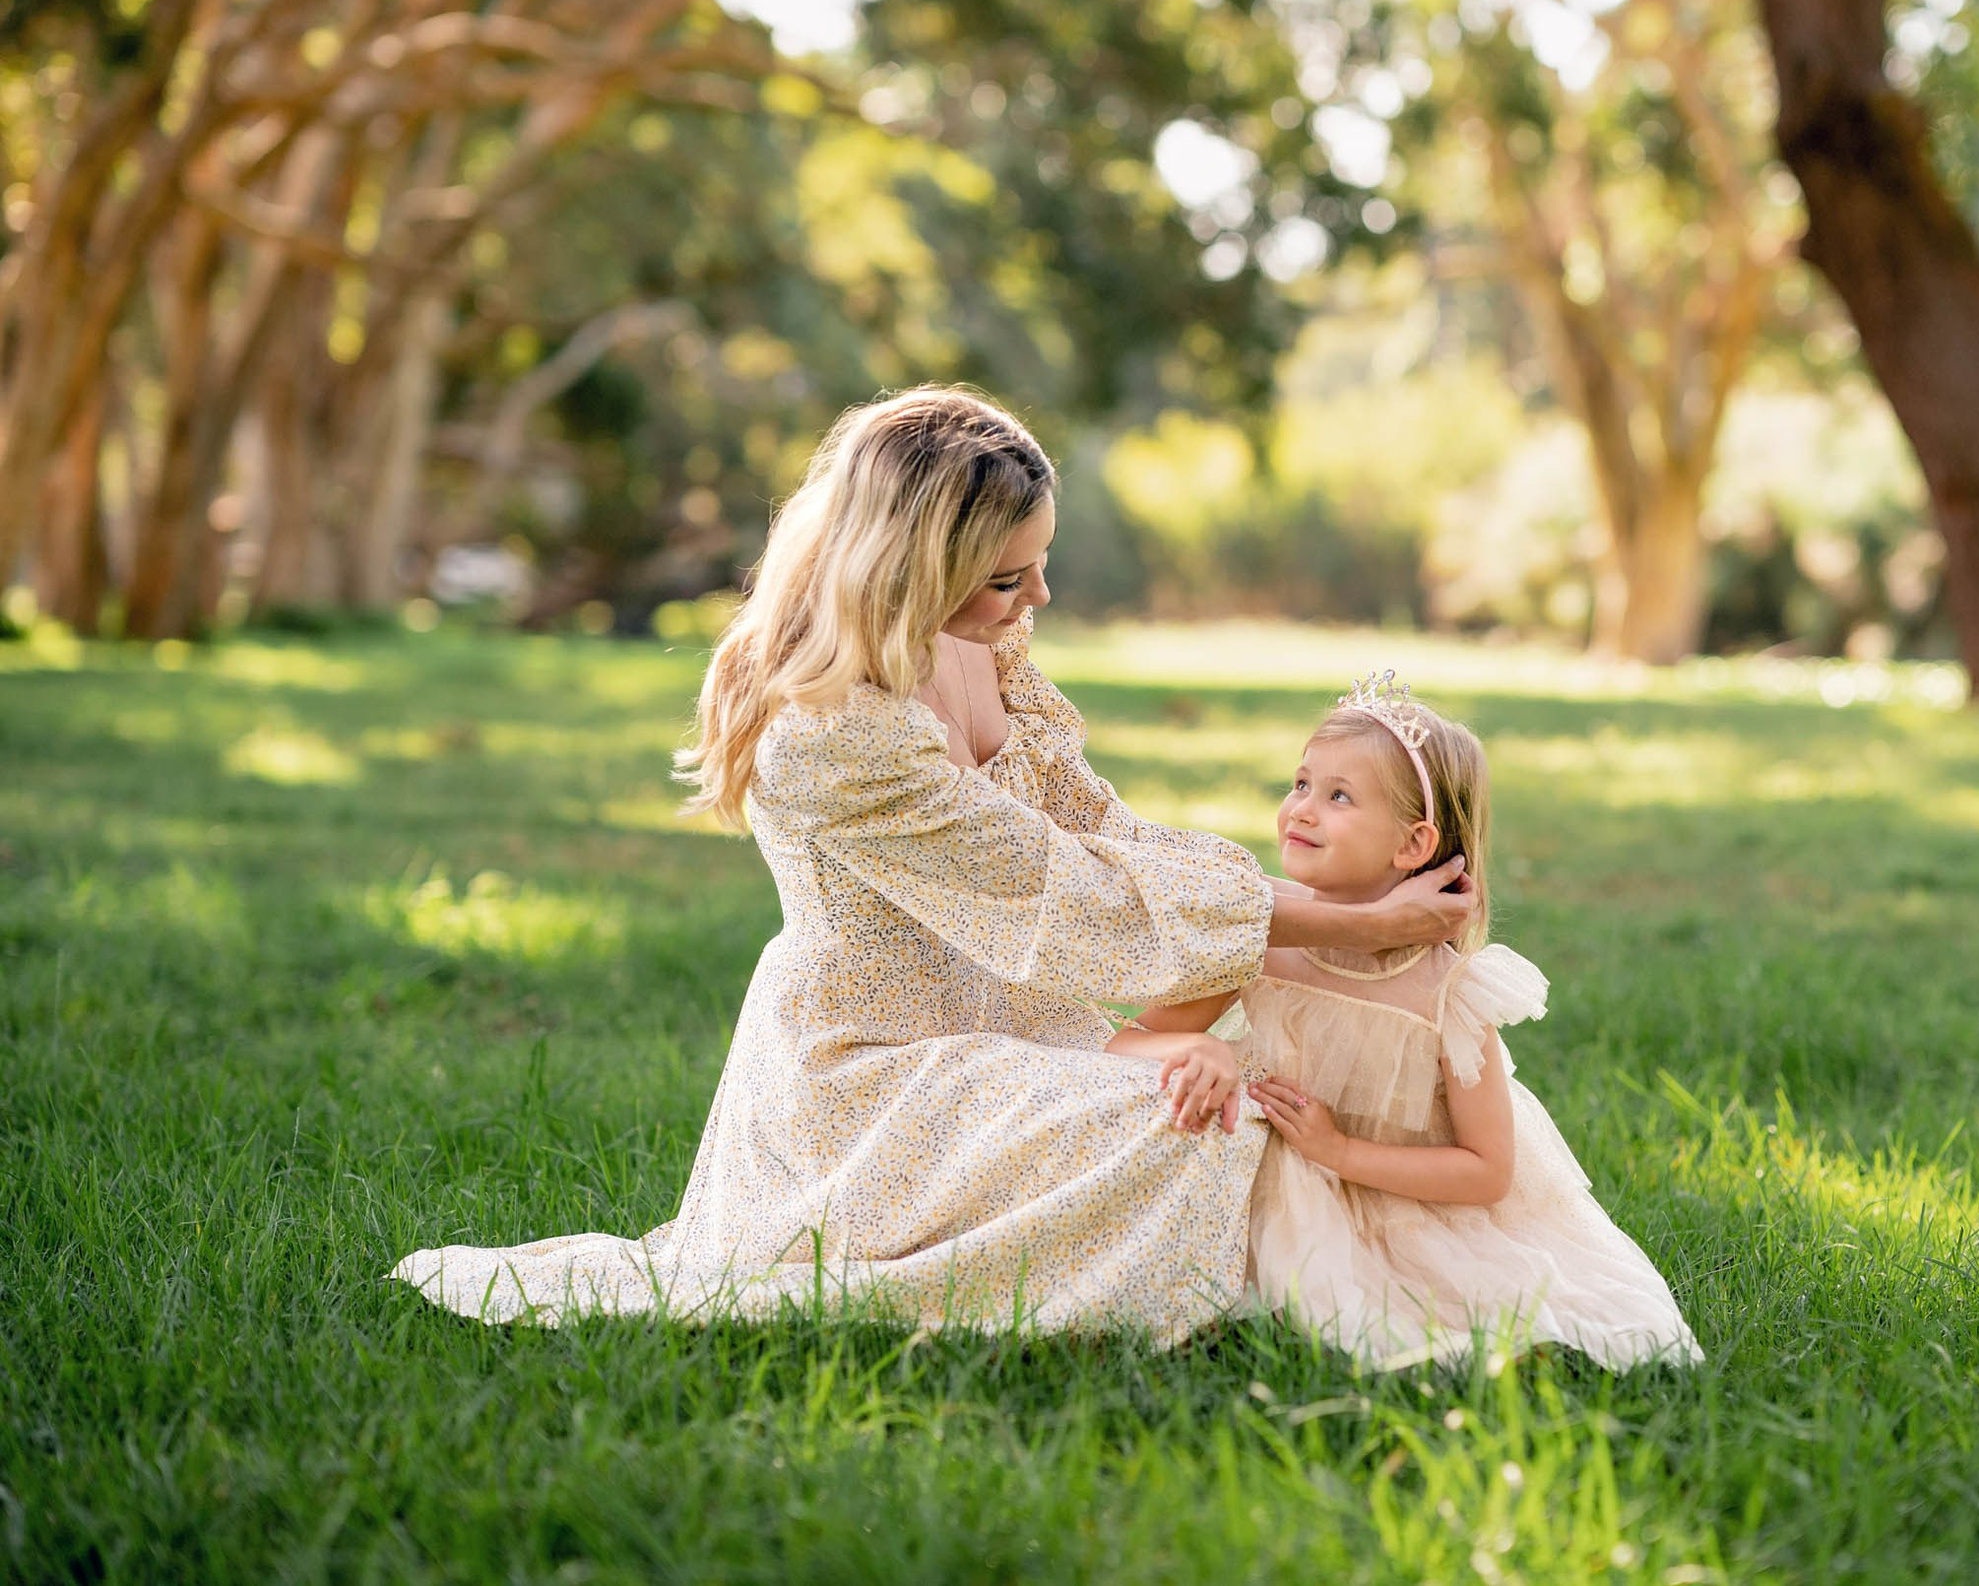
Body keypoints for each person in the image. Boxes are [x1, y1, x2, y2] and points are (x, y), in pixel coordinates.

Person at [393, 386, 1473, 1343]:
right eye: (1009, 576)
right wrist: (1355, 926)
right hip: (870, 1073)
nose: (1036, 598)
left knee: (1253, 1088)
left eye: (1039, 563)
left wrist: (1343, 906)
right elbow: (1063, 887)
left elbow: (1104, 832)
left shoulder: (979, 642)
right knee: (1203, 1118)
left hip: (1010, 1031)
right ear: (912, 568)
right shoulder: (835, 734)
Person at [1108, 676, 1700, 1369]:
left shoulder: (1448, 993)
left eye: (1339, 796)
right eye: (1300, 783)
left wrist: (1340, 1154)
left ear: (1413, 844)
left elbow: (1486, 1171)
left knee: (1428, 1316)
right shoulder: (1260, 938)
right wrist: (1201, 1046)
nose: (1301, 809)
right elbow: (1122, 1045)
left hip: (1402, 1198)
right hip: (1264, 1185)